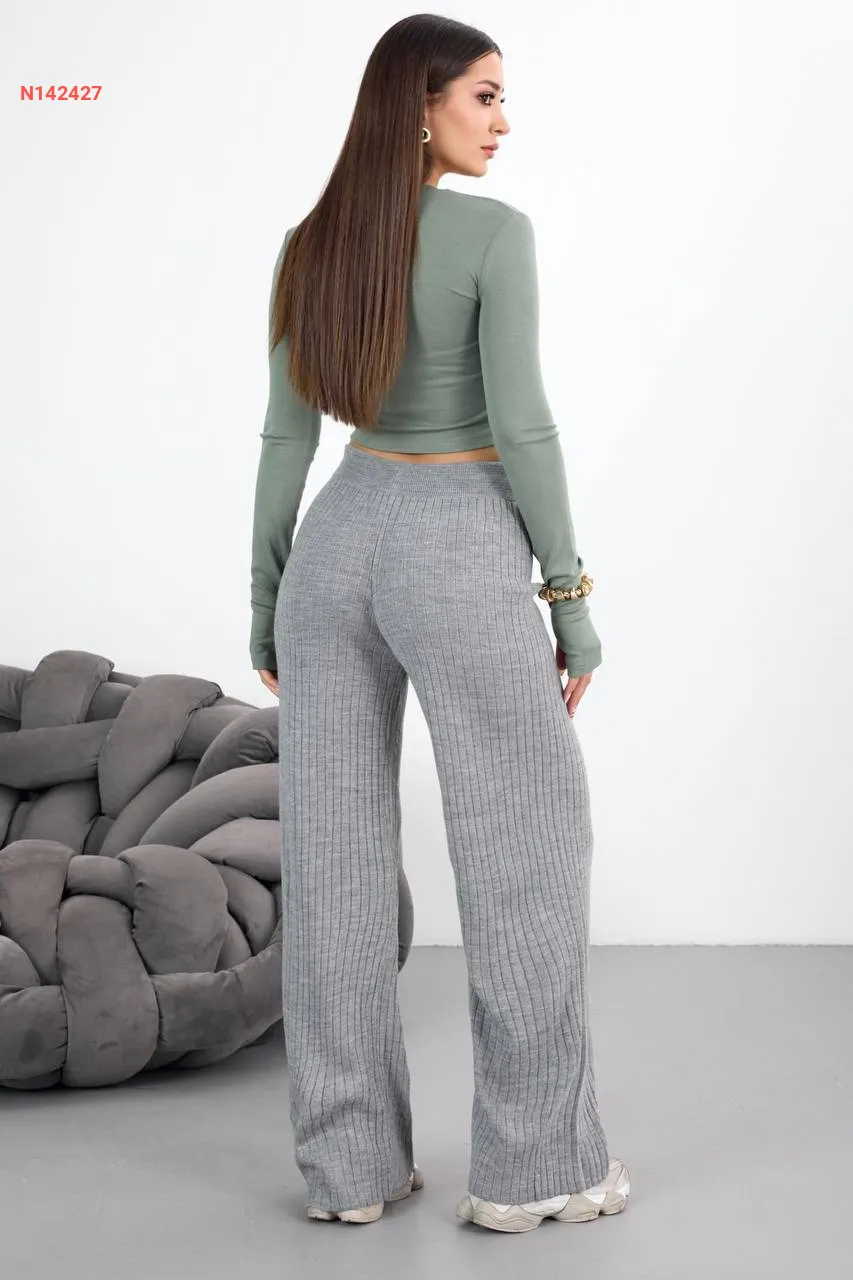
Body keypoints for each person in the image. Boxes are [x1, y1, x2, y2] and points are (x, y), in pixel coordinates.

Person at [248, 14, 631, 1233]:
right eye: (483, 95)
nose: (502, 121)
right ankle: (536, 1167)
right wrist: (568, 597)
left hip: (334, 544)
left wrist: (265, 601)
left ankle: (348, 1166)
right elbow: (523, 426)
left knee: (333, 864)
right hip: (456, 539)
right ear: (418, 107)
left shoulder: (310, 242)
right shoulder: (490, 234)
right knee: (524, 848)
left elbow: (286, 437)